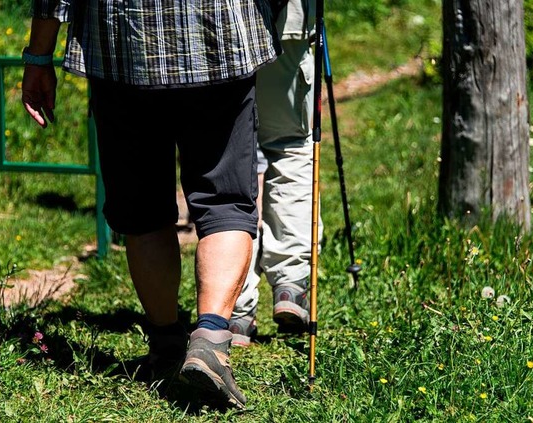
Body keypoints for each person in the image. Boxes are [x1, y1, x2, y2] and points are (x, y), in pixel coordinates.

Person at [21, 0, 280, 410]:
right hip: (221, 39)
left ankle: (166, 345)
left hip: (122, 45)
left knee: (141, 209)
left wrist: (38, 54)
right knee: (225, 199)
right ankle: (211, 338)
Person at [228, 0, 322, 346]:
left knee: (232, 157)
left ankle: (234, 308)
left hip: (217, 27)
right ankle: (290, 284)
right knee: (290, 145)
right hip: (285, 23)